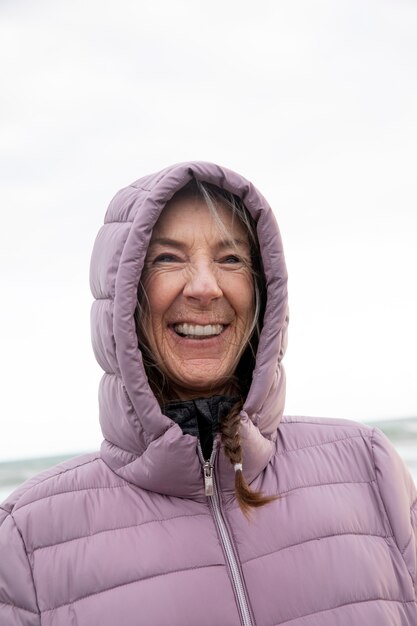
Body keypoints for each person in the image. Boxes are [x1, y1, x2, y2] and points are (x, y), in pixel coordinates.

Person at [0, 161, 416, 626]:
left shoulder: (370, 471)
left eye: (231, 258)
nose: (203, 287)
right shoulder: (27, 537)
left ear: (263, 291)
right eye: (168, 258)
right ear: (122, 298)